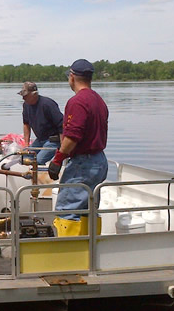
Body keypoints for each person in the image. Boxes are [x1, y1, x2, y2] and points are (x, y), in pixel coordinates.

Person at [48, 59, 109, 221]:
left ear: (72, 77)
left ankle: (68, 246)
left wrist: (58, 159)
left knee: (66, 211)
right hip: (100, 160)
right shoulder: (98, 100)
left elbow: (73, 136)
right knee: (88, 211)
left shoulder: (77, 102)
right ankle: (90, 245)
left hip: (83, 164)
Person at [19, 81, 63, 165]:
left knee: (38, 161)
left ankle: (41, 174)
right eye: (23, 96)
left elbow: (61, 125)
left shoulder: (48, 104)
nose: (23, 99)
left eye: (25, 96)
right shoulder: (26, 105)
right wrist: (26, 145)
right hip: (40, 139)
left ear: (34, 94)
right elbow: (26, 124)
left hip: (53, 140)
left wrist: (63, 149)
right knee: (25, 158)